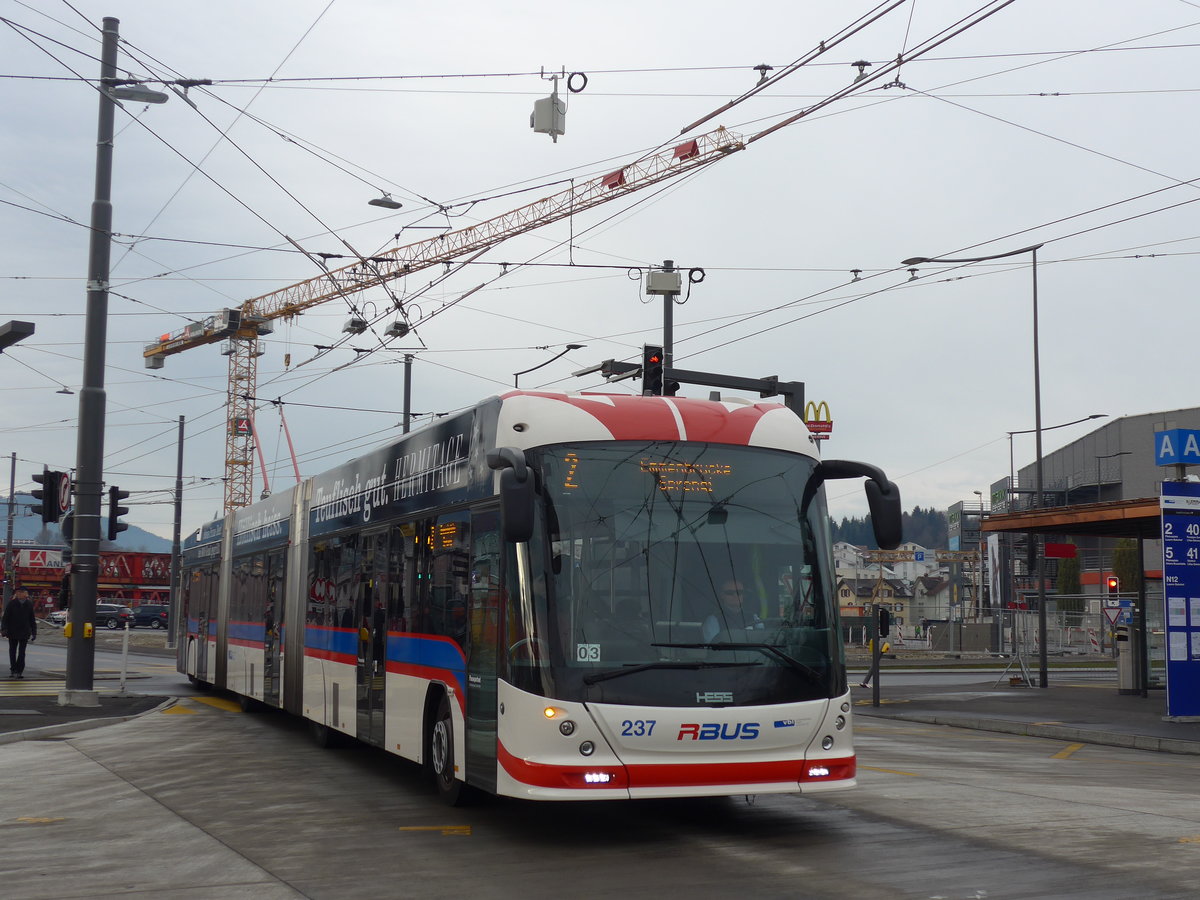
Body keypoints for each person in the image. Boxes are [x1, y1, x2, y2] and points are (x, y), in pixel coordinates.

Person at [1, 586, 38, 679]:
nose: (19, 594)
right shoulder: (12, 604)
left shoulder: (29, 605)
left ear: (26, 594)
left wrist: (34, 632)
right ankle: (13, 669)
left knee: (22, 653)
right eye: (18, 592)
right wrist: (4, 629)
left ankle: (19, 670)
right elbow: (5, 618)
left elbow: (32, 620)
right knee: (12, 652)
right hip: (12, 632)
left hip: (24, 632)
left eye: (21, 592)